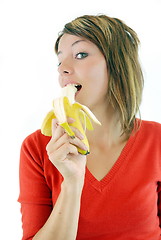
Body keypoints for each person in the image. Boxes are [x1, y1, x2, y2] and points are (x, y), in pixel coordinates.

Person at [18, 14, 161, 240]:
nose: (62, 69)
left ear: (118, 65)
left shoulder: (157, 140)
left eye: (80, 54)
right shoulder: (36, 148)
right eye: (60, 60)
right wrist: (72, 184)